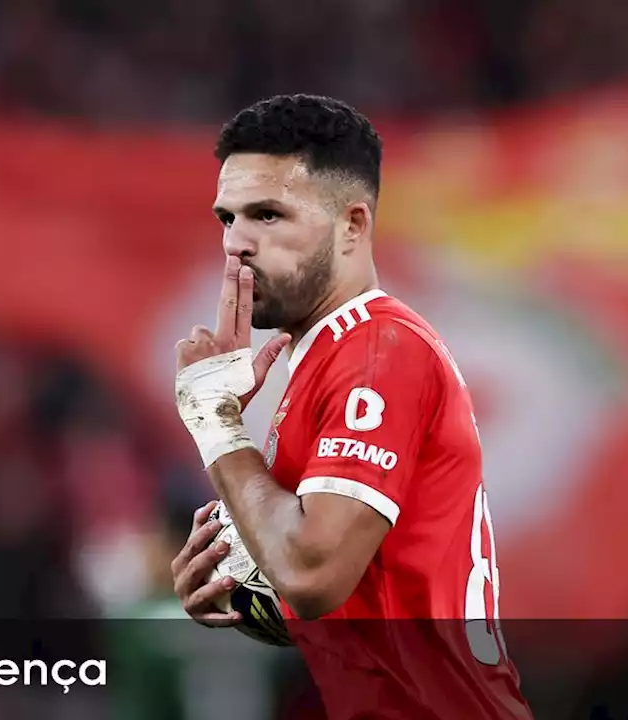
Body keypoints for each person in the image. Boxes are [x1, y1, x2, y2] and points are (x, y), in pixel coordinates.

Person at [170, 94, 533, 719]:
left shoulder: (378, 352)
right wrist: (236, 582)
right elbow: (360, 599)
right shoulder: (331, 358)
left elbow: (313, 575)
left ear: (353, 225)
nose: (236, 244)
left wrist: (217, 425)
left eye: (268, 215)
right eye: (227, 219)